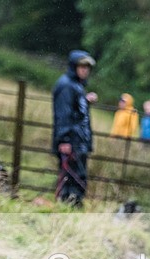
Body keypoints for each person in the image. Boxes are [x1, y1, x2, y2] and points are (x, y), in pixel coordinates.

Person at [52, 50, 98, 207]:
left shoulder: (76, 86)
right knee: (71, 177)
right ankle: (68, 207)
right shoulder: (66, 86)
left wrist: (85, 101)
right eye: (82, 66)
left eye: (87, 67)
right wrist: (64, 139)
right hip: (71, 141)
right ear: (74, 67)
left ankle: (74, 206)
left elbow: (76, 112)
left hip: (79, 141)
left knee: (78, 176)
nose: (85, 70)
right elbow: (63, 115)